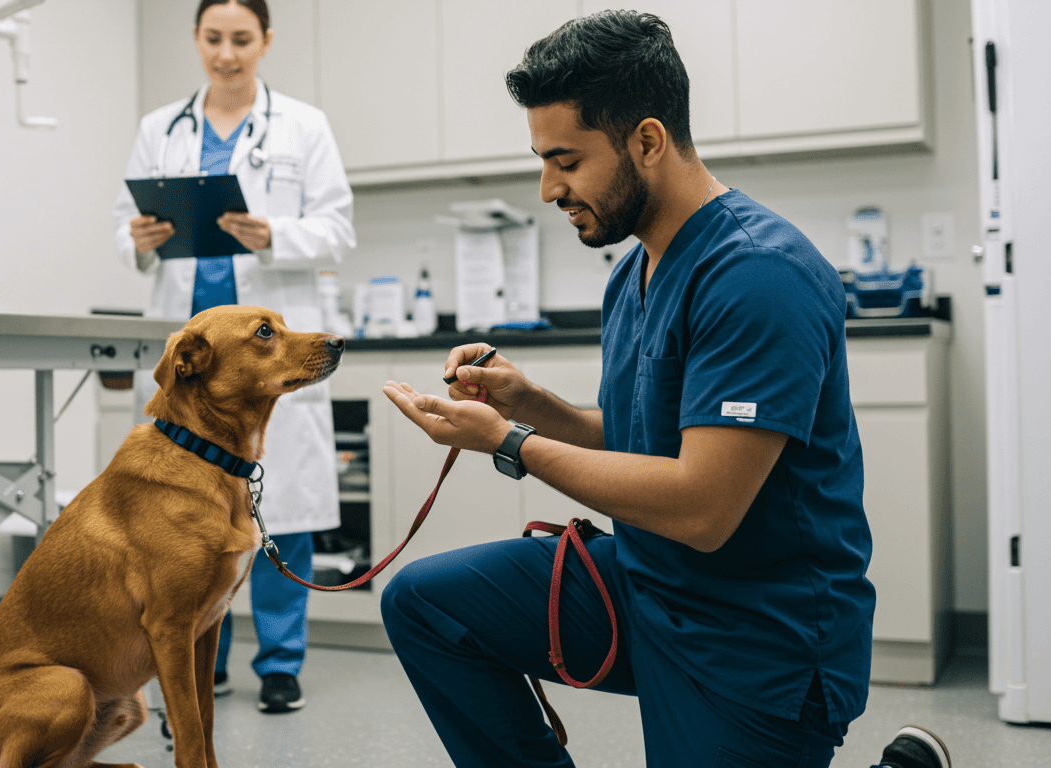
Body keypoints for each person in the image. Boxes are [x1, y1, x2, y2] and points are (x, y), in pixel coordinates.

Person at [377, 10, 903, 767]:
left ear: (648, 141)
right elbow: (641, 436)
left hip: (758, 636)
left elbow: (702, 507)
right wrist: (528, 405)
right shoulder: (634, 270)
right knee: (427, 603)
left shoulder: (759, 275)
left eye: (566, 161)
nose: (548, 188)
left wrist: (509, 442)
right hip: (646, 583)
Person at [111, 0, 355, 714]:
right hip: (194, 361)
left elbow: (337, 229)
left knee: (287, 507)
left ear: (265, 41)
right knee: (180, 511)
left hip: (269, 353)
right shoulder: (159, 129)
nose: (226, 53)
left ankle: (280, 662)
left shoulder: (303, 125)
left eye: (241, 39)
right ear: (196, 39)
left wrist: (273, 234)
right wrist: (138, 240)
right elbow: (121, 229)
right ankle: (197, 658)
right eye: (213, 38)